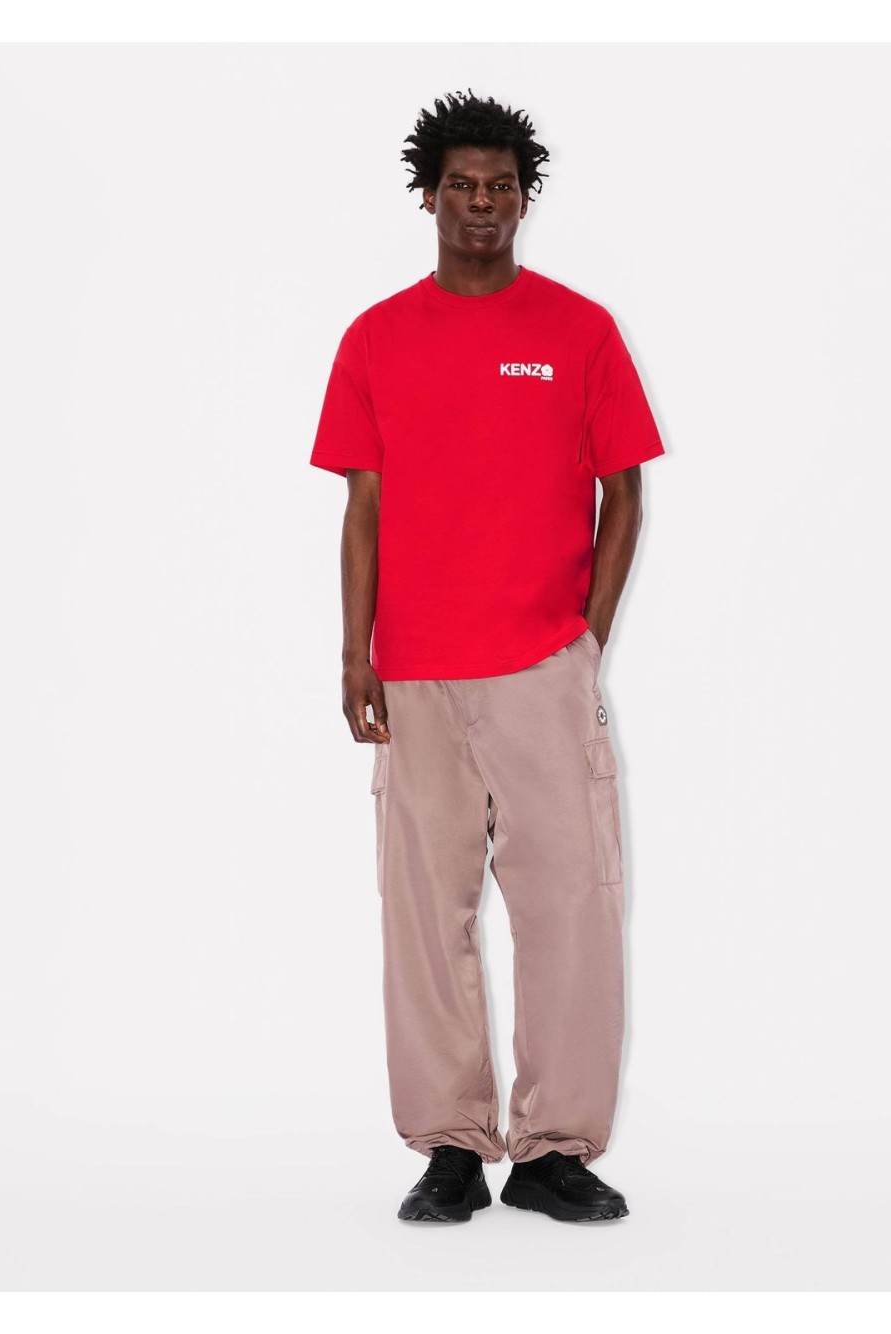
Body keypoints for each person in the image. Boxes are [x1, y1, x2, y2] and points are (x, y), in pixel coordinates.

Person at [309, 89, 665, 1223]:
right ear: (428, 197)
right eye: (461, 185)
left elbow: (625, 493)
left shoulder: (579, 330)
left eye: (500, 187)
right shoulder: (375, 337)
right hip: (414, 672)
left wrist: (583, 639)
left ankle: (555, 1149)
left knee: (572, 906)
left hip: (541, 668)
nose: (480, 204)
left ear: (524, 199)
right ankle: (452, 1148)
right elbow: (362, 507)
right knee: (426, 914)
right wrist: (355, 652)